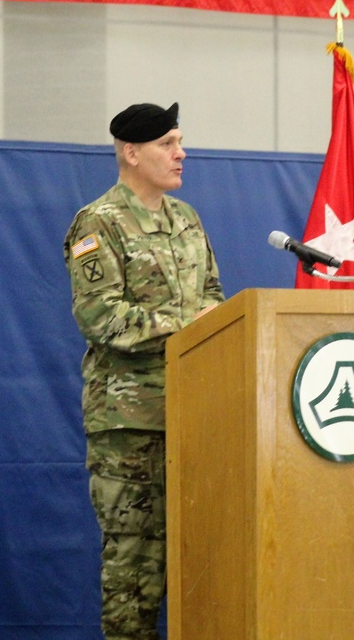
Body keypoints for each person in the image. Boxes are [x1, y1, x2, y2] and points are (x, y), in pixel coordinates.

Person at [63, 101, 224, 640]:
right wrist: (187, 319)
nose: (182, 154)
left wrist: (212, 321)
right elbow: (100, 316)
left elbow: (215, 301)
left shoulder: (187, 220)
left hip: (194, 416)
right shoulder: (98, 223)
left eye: (180, 141)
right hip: (130, 424)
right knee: (134, 570)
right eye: (168, 144)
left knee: (200, 560)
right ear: (132, 153)